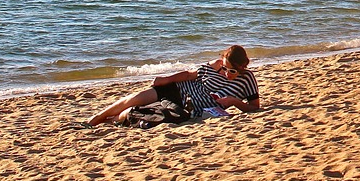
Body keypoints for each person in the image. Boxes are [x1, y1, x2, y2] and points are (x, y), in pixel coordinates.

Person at [87, 45, 260, 126]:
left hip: (187, 106)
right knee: (132, 99)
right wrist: (166, 79)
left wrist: (235, 102)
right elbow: (189, 75)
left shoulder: (247, 79)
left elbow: (254, 107)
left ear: (241, 67)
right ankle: (96, 118)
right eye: (224, 68)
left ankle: (109, 121)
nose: (225, 73)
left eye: (231, 71)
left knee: (138, 111)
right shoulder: (216, 64)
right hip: (179, 89)